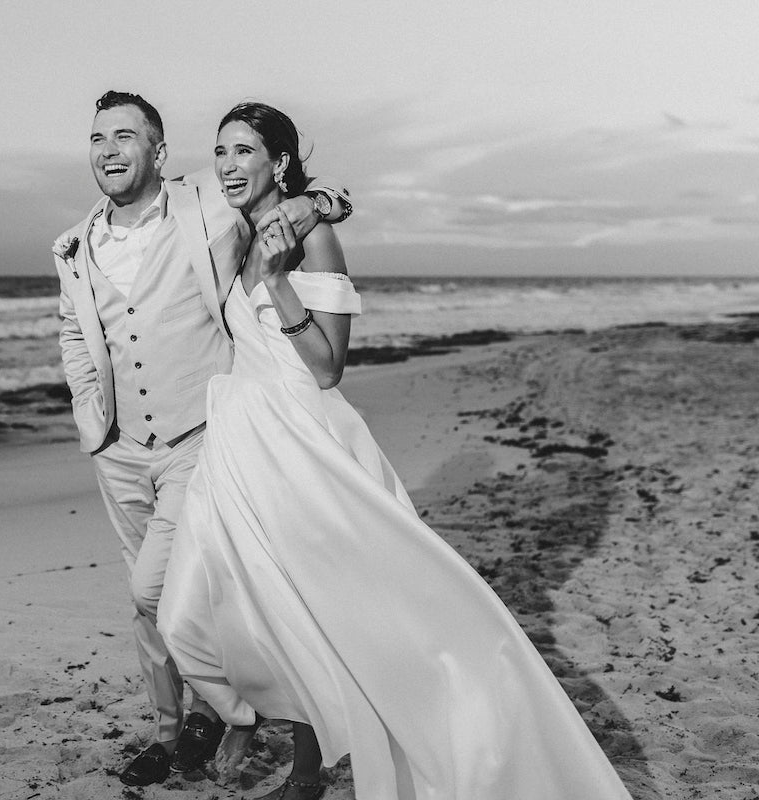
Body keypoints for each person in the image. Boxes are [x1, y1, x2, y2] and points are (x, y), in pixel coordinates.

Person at [156, 102, 634, 800]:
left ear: (278, 162)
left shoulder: (311, 242)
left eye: (243, 151)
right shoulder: (233, 230)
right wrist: (320, 202)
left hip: (303, 442)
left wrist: (281, 277)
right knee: (189, 609)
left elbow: (326, 368)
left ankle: (309, 770)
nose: (227, 165)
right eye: (220, 151)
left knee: (314, 609)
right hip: (239, 436)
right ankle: (242, 714)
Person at [52, 91, 352, 787]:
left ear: (158, 152)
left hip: (198, 434)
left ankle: (223, 708)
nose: (108, 150)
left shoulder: (209, 206)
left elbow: (300, 199)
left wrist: (318, 205)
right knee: (144, 602)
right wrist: (88, 414)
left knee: (157, 588)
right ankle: (170, 732)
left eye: (125, 137)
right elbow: (75, 333)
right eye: (98, 137)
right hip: (119, 449)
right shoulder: (74, 242)